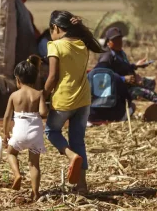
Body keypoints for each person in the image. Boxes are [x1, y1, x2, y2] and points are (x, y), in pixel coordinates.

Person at [43, 10, 105, 194]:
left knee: (51, 131)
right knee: (78, 140)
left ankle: (71, 156)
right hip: (84, 99)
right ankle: (82, 186)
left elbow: (53, 77)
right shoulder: (82, 44)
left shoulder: (55, 46)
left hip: (63, 99)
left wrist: (43, 94)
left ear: (55, 27)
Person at [3, 55, 48, 201]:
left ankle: (17, 174)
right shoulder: (39, 94)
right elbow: (43, 113)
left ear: (18, 80)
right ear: (35, 78)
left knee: (11, 153)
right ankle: (35, 192)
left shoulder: (14, 95)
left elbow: (6, 117)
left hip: (20, 131)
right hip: (35, 132)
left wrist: (6, 134)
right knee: (34, 164)